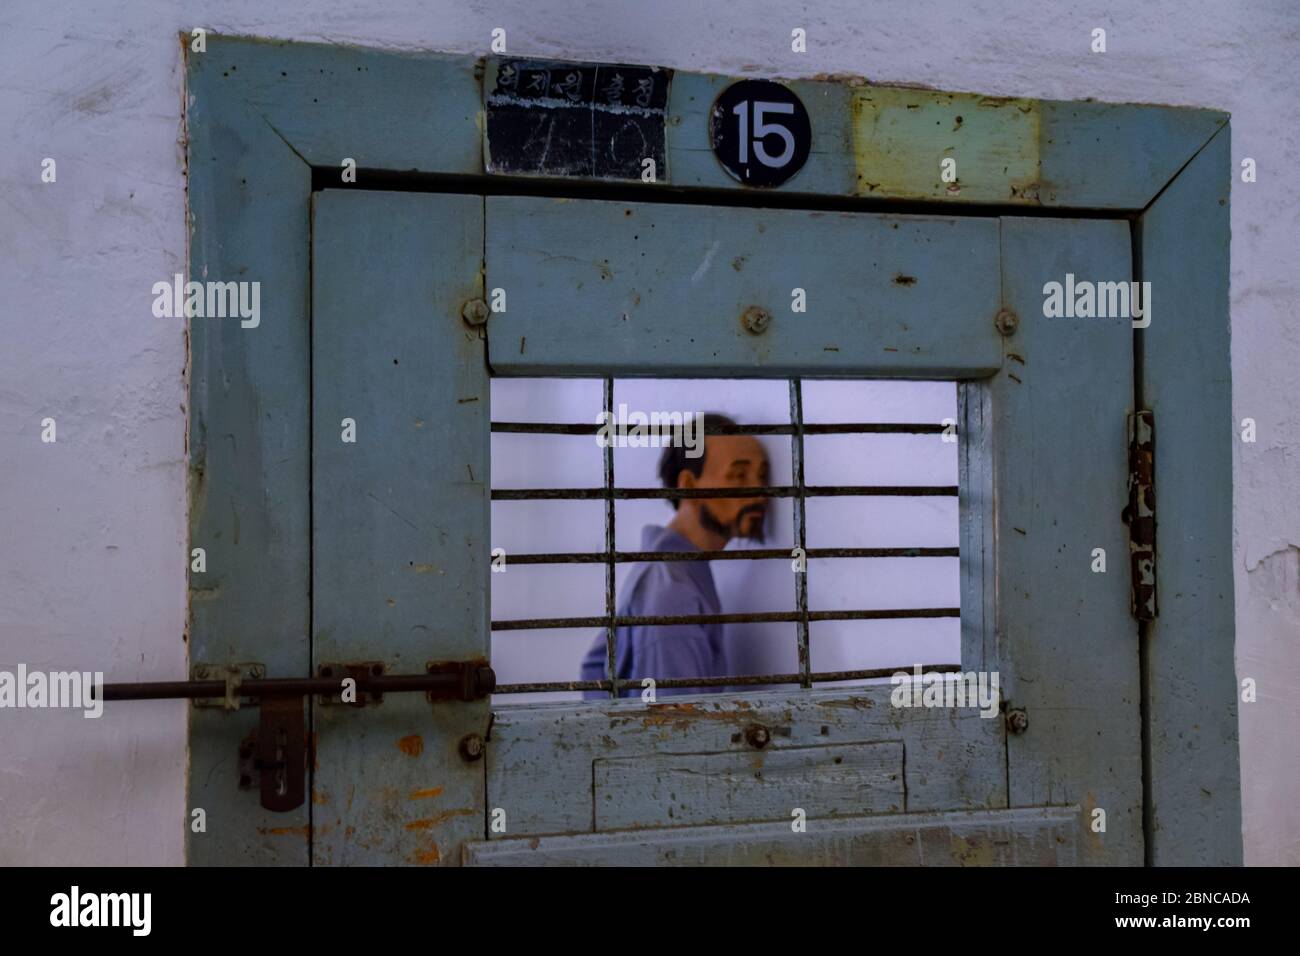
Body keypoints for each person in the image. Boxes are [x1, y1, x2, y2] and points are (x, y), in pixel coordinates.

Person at [580, 413, 769, 698]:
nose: (760, 494)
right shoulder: (674, 591)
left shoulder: (668, 570)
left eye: (762, 477)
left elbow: (594, 670)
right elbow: (678, 728)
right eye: (739, 476)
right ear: (689, 486)